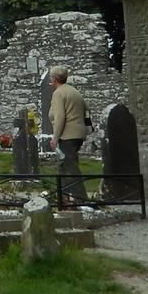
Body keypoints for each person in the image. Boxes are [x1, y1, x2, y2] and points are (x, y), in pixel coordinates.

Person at [49, 66, 89, 205]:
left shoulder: (58, 93)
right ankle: (63, 198)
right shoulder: (74, 91)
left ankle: (82, 200)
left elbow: (60, 117)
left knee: (70, 168)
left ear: (54, 79)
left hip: (67, 135)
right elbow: (86, 110)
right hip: (78, 134)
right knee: (62, 166)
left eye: (51, 77)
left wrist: (55, 137)